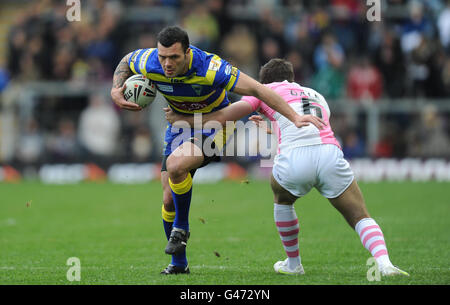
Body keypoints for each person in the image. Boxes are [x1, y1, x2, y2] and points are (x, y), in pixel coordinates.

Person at [110, 26, 325, 275]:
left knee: (176, 165)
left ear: (187, 53)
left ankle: (181, 227)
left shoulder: (212, 68)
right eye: (163, 57)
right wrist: (115, 88)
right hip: (179, 126)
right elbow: (126, 61)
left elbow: (258, 89)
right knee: (168, 198)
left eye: (174, 58)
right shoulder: (149, 61)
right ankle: (179, 264)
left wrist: (295, 117)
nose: (167, 64)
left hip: (214, 125)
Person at [165, 58, 409, 277]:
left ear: (263, 82)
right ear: (291, 78)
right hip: (329, 154)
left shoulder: (264, 91)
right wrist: (273, 126)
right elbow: (309, 127)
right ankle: (385, 264)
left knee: (282, 199)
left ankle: (293, 264)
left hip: (295, 160)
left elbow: (225, 116)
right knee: (359, 215)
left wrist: (183, 120)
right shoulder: (315, 94)